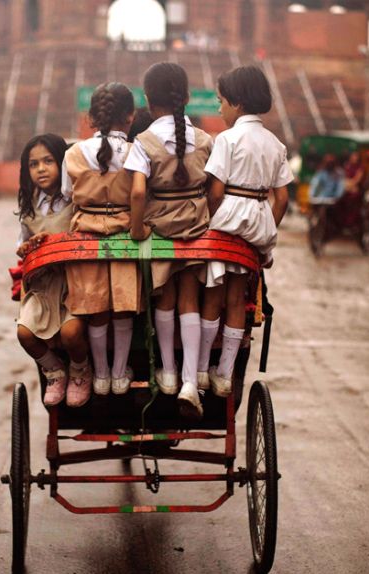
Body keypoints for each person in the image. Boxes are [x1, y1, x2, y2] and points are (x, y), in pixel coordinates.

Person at [198, 65, 292, 399]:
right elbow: (281, 197)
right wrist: (266, 225)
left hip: (226, 222)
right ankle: (225, 374)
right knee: (238, 297)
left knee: (213, 294)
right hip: (257, 222)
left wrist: (211, 221)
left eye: (221, 101)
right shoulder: (276, 144)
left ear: (236, 103)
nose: (218, 109)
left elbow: (216, 191)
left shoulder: (227, 139)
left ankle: (201, 370)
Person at [125, 62, 213, 419]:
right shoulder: (206, 141)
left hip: (159, 227)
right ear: (187, 97)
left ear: (147, 100)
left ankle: (169, 374)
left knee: (164, 298)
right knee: (189, 298)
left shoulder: (143, 142)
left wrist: (136, 230)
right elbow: (215, 189)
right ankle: (192, 382)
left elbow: (136, 194)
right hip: (195, 227)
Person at [61, 82, 140, 396]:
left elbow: (68, 195)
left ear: (92, 116)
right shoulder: (137, 152)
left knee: (95, 307)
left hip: (86, 238)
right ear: (130, 117)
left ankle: (101, 375)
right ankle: (119, 376)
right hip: (125, 236)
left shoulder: (74, 153)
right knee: (122, 305)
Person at [16, 133, 91, 408]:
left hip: (75, 282)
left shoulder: (77, 200)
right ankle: (55, 372)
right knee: (25, 333)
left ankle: (81, 372)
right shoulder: (28, 207)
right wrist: (27, 248)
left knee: (71, 333)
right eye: (34, 164)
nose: (41, 169)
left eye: (48, 161)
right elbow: (21, 247)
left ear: (62, 162)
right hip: (44, 284)